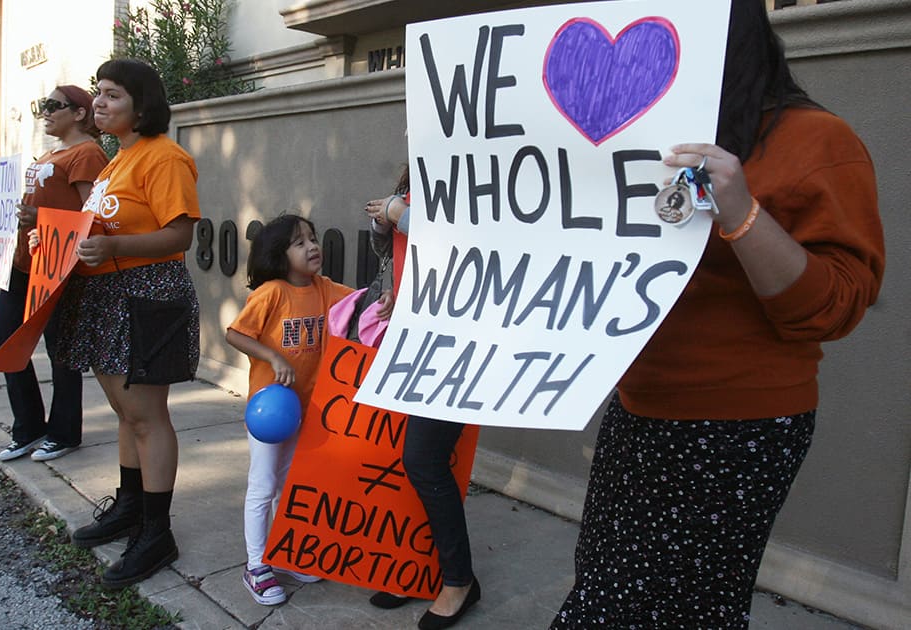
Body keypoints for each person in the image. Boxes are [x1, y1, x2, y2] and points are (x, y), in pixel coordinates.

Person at [550, 1, 885, 628]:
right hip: (638, 408)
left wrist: (741, 211)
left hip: (738, 427)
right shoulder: (630, 137)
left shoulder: (819, 140)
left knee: (683, 609)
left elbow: (836, 306)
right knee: (603, 585)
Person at [54, 59, 202, 589]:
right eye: (98, 93)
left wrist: (113, 246)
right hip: (109, 294)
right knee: (124, 410)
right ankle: (131, 508)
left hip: (147, 295)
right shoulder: (117, 161)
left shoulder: (164, 158)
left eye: (112, 95)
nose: (99, 102)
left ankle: (157, 531)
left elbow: (179, 236)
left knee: (146, 414)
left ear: (142, 105)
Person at [363, 168, 482, 630]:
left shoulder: (472, 169)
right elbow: (401, 254)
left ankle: (459, 580)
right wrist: (400, 286)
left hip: (457, 341)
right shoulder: (413, 173)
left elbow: (473, 246)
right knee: (407, 460)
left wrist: (401, 214)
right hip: (413, 335)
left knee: (424, 460)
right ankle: (419, 567)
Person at [225, 213, 355, 605]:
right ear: (279, 255)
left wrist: (380, 304)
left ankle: (286, 551)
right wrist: (273, 357)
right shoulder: (272, 293)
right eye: (299, 242)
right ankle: (255, 565)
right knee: (263, 485)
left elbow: (357, 304)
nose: (312, 246)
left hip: (305, 409)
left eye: (313, 238)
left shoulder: (324, 288)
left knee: (293, 484)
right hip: (269, 412)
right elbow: (235, 333)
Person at [0, 85, 107, 463]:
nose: (45, 112)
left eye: (53, 105)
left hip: (59, 266)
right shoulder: (50, 152)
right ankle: (28, 428)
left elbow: (92, 216)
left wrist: (39, 218)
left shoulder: (87, 153)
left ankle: (63, 432)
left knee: (61, 349)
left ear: (79, 113)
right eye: (42, 105)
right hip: (25, 261)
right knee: (4, 338)